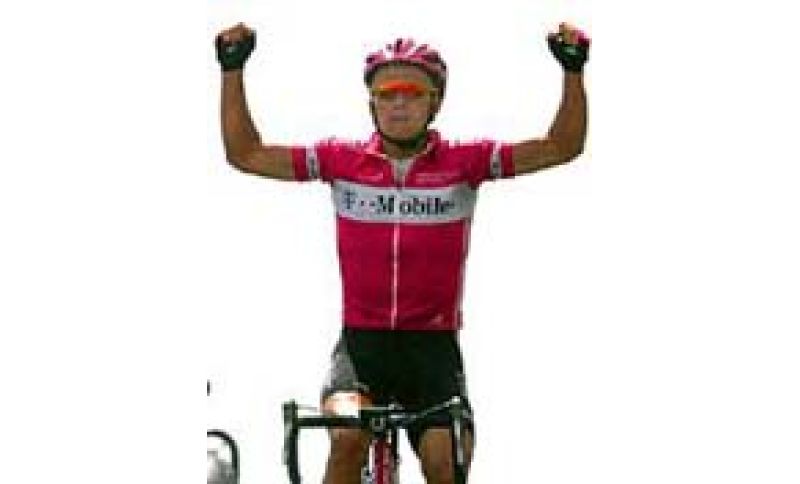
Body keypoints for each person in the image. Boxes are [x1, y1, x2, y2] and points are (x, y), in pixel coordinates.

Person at [215, 22, 589, 484]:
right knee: (347, 437)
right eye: (386, 93)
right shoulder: (341, 161)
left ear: (435, 101)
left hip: (432, 351)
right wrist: (232, 70)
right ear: (371, 102)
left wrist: (573, 72)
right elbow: (247, 154)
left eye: (412, 93)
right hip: (361, 348)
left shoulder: (464, 163)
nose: (398, 104)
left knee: (443, 464)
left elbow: (562, 147)